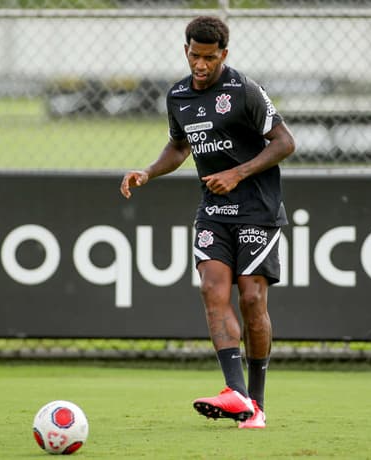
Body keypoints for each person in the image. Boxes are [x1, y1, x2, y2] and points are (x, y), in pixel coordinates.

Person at [120, 15, 295, 429]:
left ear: (224, 55)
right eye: (195, 56)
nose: (201, 64)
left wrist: (238, 173)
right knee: (211, 289)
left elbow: (286, 142)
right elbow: (179, 147)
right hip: (213, 213)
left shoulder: (244, 90)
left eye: (209, 58)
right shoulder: (178, 96)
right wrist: (148, 172)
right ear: (186, 51)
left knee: (252, 300)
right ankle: (234, 393)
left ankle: (257, 403)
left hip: (257, 208)